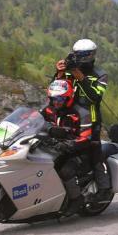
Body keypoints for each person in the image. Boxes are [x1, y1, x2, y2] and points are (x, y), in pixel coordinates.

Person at [53, 39, 110, 193]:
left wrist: (80, 77)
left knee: (94, 154)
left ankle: (104, 190)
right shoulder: (69, 70)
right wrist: (59, 72)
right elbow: (56, 91)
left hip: (90, 120)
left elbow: (95, 97)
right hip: (68, 118)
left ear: (91, 55)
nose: (78, 57)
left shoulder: (100, 74)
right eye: (77, 54)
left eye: (83, 54)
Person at [40, 79, 94, 207]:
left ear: (68, 98)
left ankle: (76, 200)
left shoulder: (81, 113)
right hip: (56, 147)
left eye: (60, 99)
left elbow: (87, 137)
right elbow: (33, 119)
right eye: (53, 99)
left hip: (79, 151)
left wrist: (69, 145)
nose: (56, 102)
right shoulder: (49, 109)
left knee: (65, 171)